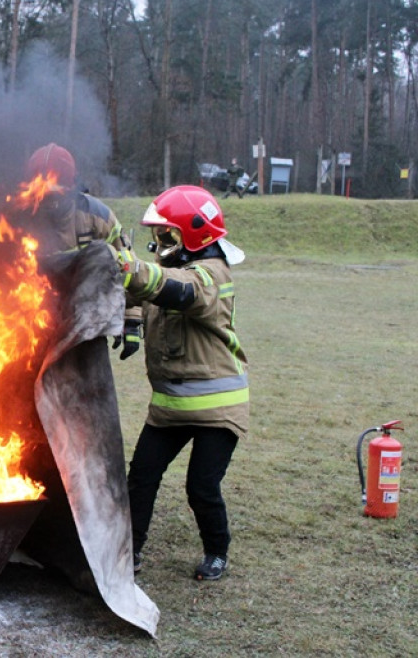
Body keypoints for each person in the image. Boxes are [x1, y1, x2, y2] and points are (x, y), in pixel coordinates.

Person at [116, 184, 248, 581]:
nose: (159, 244)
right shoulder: (178, 267)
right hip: (171, 406)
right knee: (140, 478)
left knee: (201, 487)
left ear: (192, 233)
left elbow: (175, 290)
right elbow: (149, 292)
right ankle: (128, 551)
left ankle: (216, 552)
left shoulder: (212, 274)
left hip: (218, 407)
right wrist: (132, 323)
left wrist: (130, 267)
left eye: (165, 235)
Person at [18, 143, 142, 359]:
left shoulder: (97, 217)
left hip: (86, 324)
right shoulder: (17, 219)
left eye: (55, 194)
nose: (48, 202)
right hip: (30, 326)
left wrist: (131, 320)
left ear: (72, 187)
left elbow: (127, 266)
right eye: (42, 194)